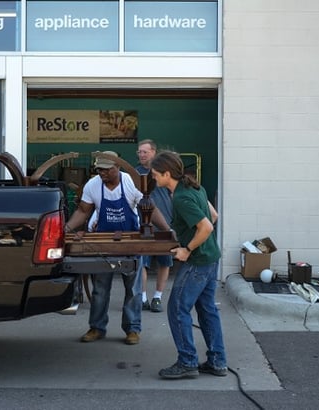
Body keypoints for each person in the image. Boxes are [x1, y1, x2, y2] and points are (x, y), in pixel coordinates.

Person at [65, 151, 170, 345]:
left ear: (118, 168)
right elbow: (82, 211)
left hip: (129, 242)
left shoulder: (131, 183)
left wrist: (166, 229)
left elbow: (150, 208)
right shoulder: (93, 185)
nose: (102, 173)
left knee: (133, 290)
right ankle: (97, 327)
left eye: (107, 170)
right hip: (104, 242)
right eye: (99, 170)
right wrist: (66, 230)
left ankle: (132, 329)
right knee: (100, 289)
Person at [150, 150, 227, 379]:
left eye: (155, 174)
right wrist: (189, 235)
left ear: (166, 173)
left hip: (197, 262)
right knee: (207, 310)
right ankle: (217, 361)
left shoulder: (181, 197)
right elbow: (213, 215)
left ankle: (187, 362)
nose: (153, 178)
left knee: (176, 308)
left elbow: (207, 227)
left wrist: (188, 248)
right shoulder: (195, 188)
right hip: (211, 258)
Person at [135, 139, 173, 313]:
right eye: (139, 152)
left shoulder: (165, 173)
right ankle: (142, 298)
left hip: (165, 223)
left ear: (154, 152)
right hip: (143, 225)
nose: (142, 155)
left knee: (165, 262)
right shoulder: (134, 174)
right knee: (142, 262)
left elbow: (174, 194)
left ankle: (157, 297)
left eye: (145, 152)